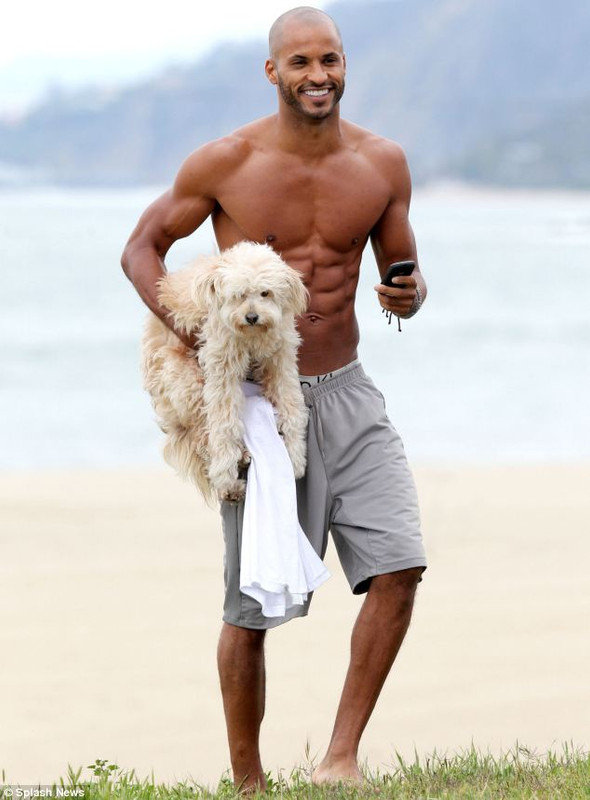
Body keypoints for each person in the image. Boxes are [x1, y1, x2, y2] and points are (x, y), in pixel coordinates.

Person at [121, 6, 427, 791]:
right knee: (248, 605)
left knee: (399, 567)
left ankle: (340, 757)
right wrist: (188, 332)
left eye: (330, 59)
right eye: (300, 63)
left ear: (345, 64)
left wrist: (410, 294)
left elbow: (401, 269)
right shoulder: (226, 163)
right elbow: (141, 247)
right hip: (258, 403)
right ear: (273, 72)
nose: (318, 76)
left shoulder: (383, 163)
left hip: (350, 392)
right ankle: (249, 782)